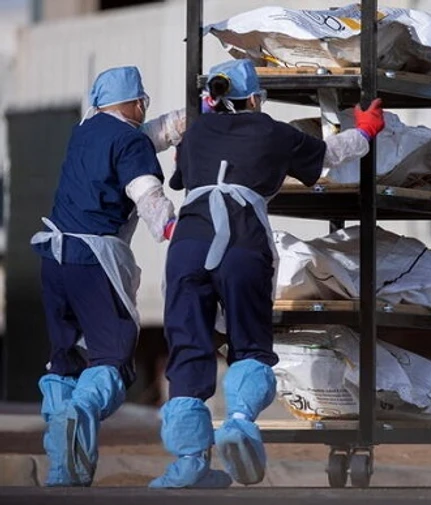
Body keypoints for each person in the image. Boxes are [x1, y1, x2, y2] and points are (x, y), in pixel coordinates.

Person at [150, 59, 385, 488]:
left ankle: (187, 463)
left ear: (214, 98)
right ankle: (239, 422)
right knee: (249, 344)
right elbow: (330, 155)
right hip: (241, 243)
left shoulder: (197, 130)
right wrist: (366, 131)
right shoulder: (273, 131)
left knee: (188, 345)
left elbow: (185, 176)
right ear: (255, 97)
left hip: (187, 244)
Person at [30, 66, 186, 487]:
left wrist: (179, 124)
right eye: (143, 104)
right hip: (92, 261)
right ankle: (79, 414)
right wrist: (172, 229)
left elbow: (133, 141)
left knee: (66, 361)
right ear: (135, 103)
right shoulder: (129, 141)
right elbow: (144, 189)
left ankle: (64, 469)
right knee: (112, 359)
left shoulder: (86, 131)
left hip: (53, 258)